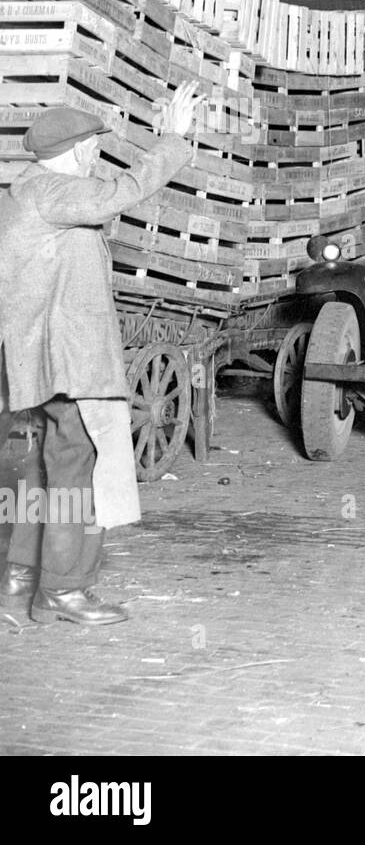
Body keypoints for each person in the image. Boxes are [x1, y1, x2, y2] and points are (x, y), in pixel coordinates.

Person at [0, 81, 202, 625]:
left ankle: (21, 573)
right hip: (67, 364)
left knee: (42, 467)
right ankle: (63, 591)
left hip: (38, 363)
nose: (96, 155)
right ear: (79, 149)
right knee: (76, 469)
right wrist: (172, 140)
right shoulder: (54, 190)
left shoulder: (24, 191)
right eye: (94, 146)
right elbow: (119, 193)